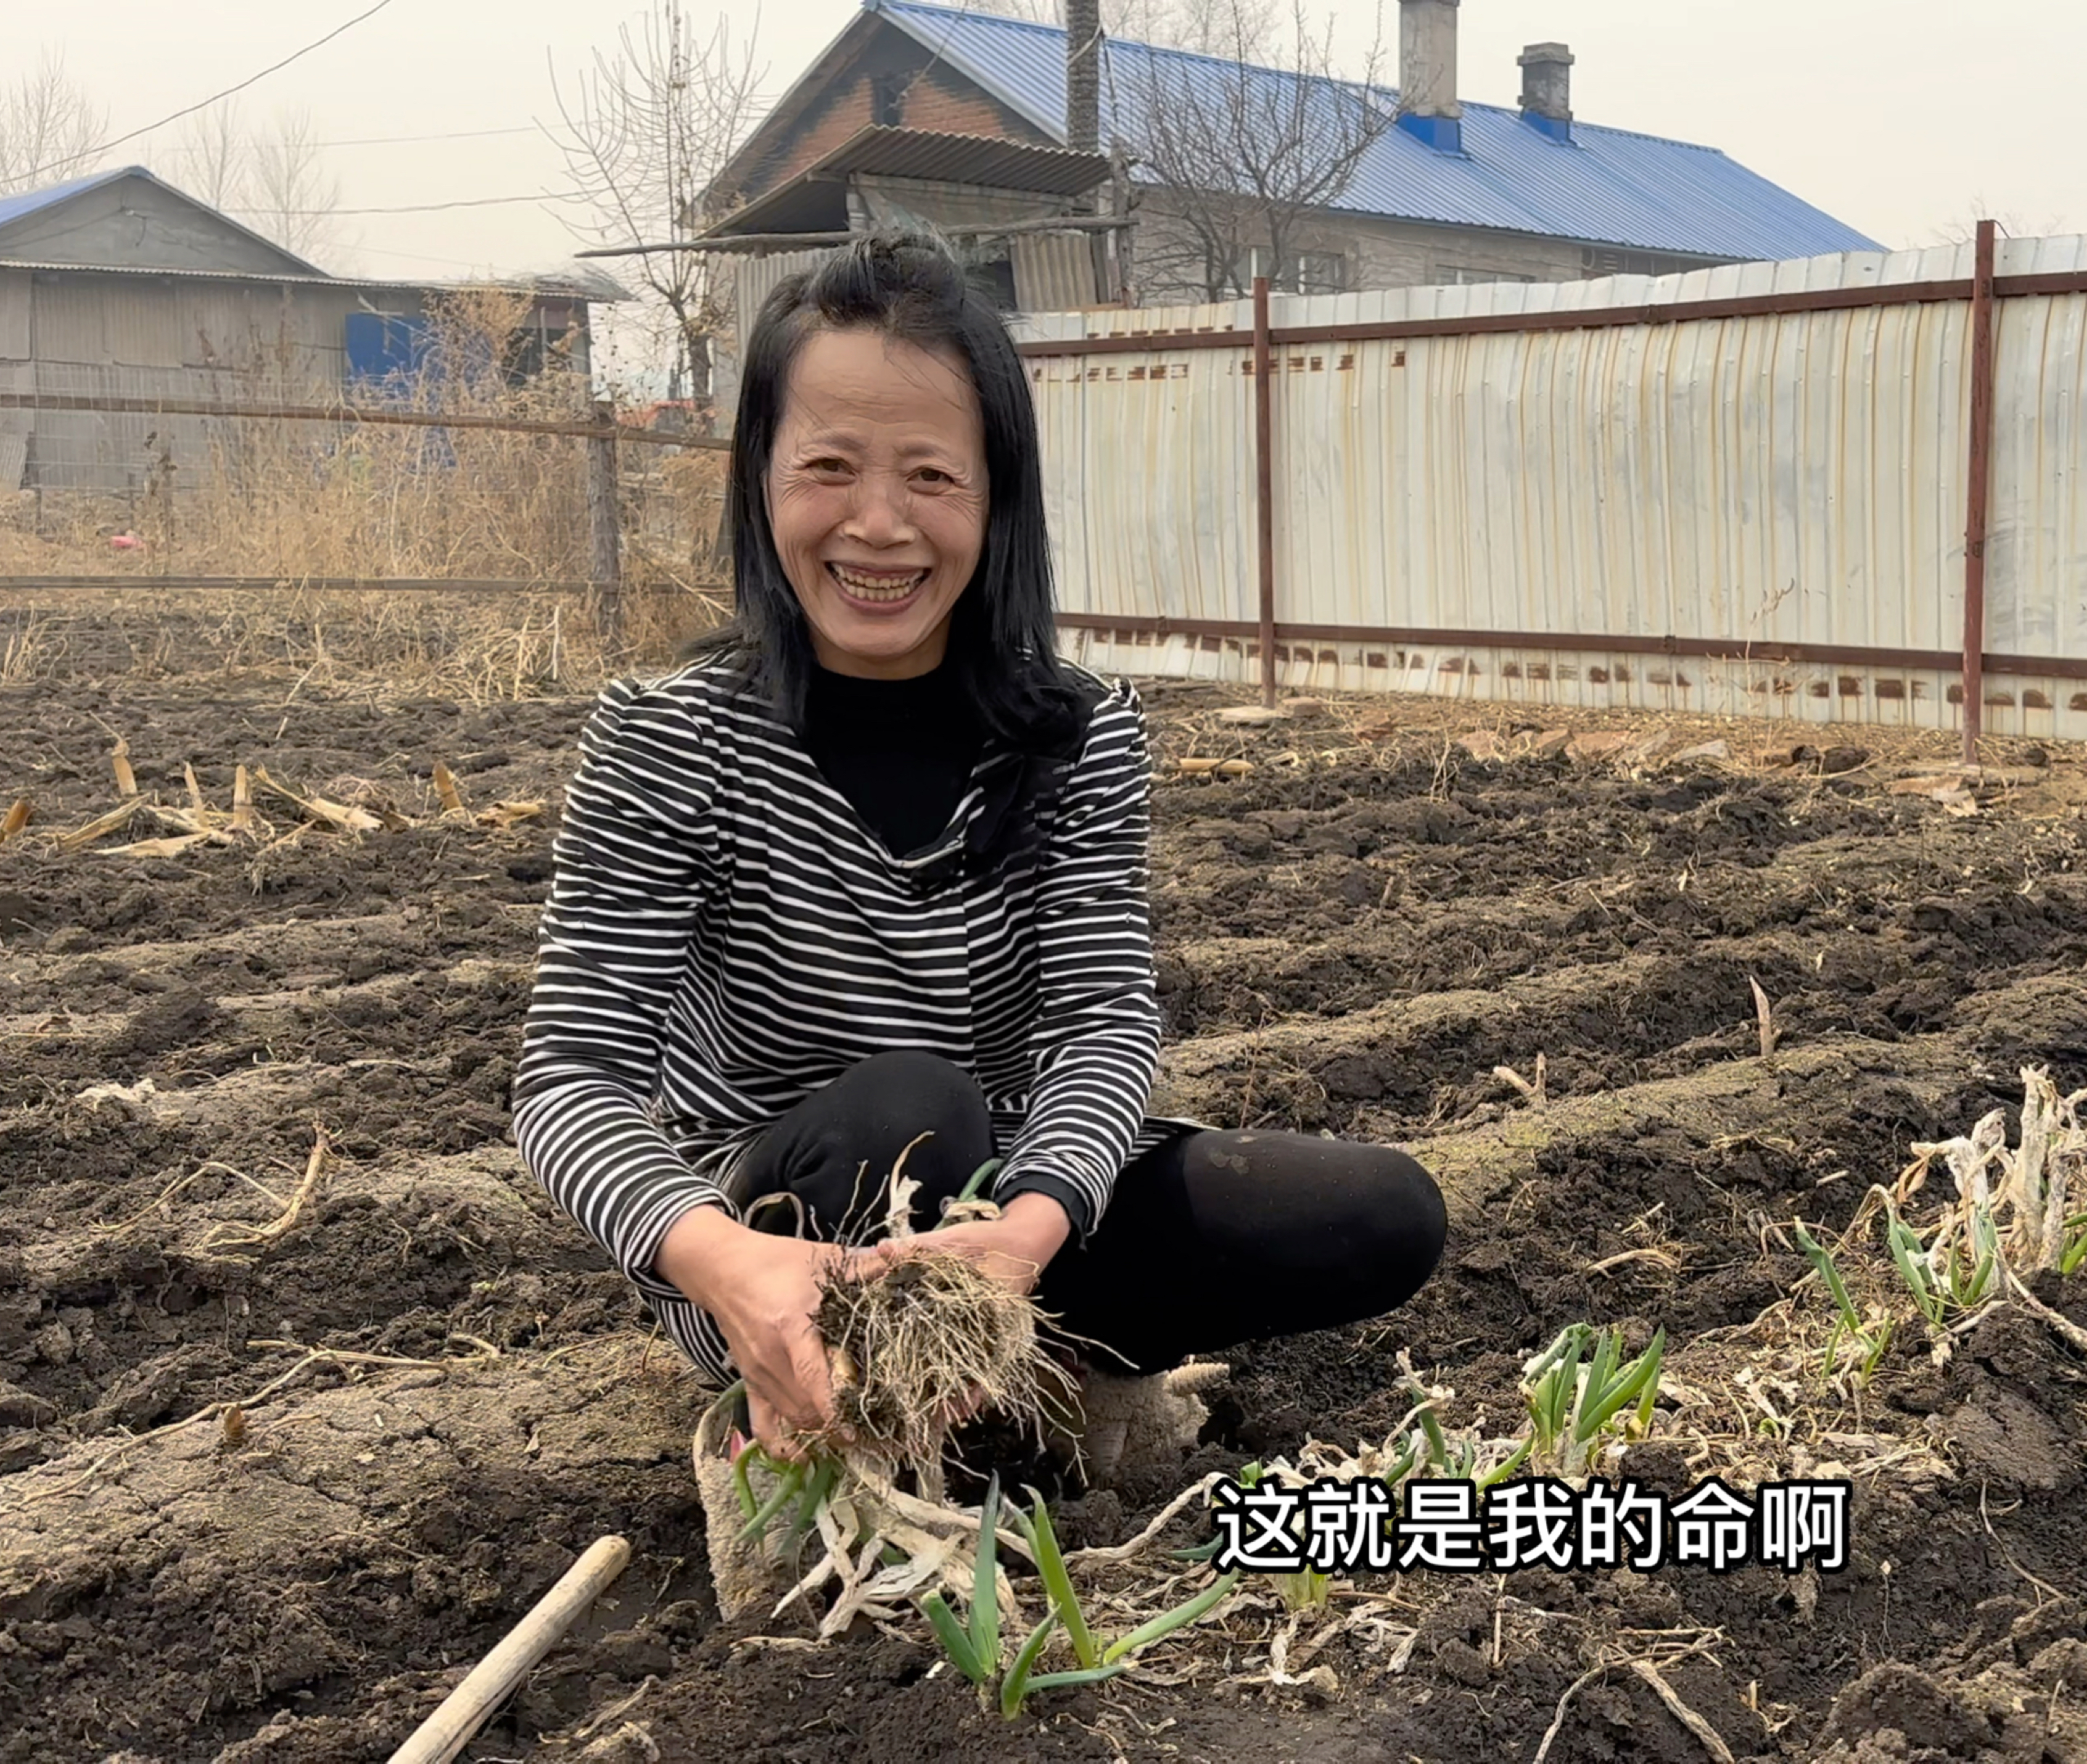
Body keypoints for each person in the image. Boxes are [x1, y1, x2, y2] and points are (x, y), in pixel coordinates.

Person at [511, 234, 1447, 1464]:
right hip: (784, 1244)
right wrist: (716, 1255)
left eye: (932, 478)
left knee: (1381, 1214)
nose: (880, 525)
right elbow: (570, 1079)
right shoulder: (668, 740)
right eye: (830, 468)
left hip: (998, 1221)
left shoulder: (1078, 734)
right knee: (914, 1105)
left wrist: (1035, 1223)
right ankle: (824, 1409)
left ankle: (1042, 1372)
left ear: (997, 492)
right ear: (760, 481)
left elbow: (1102, 1025)